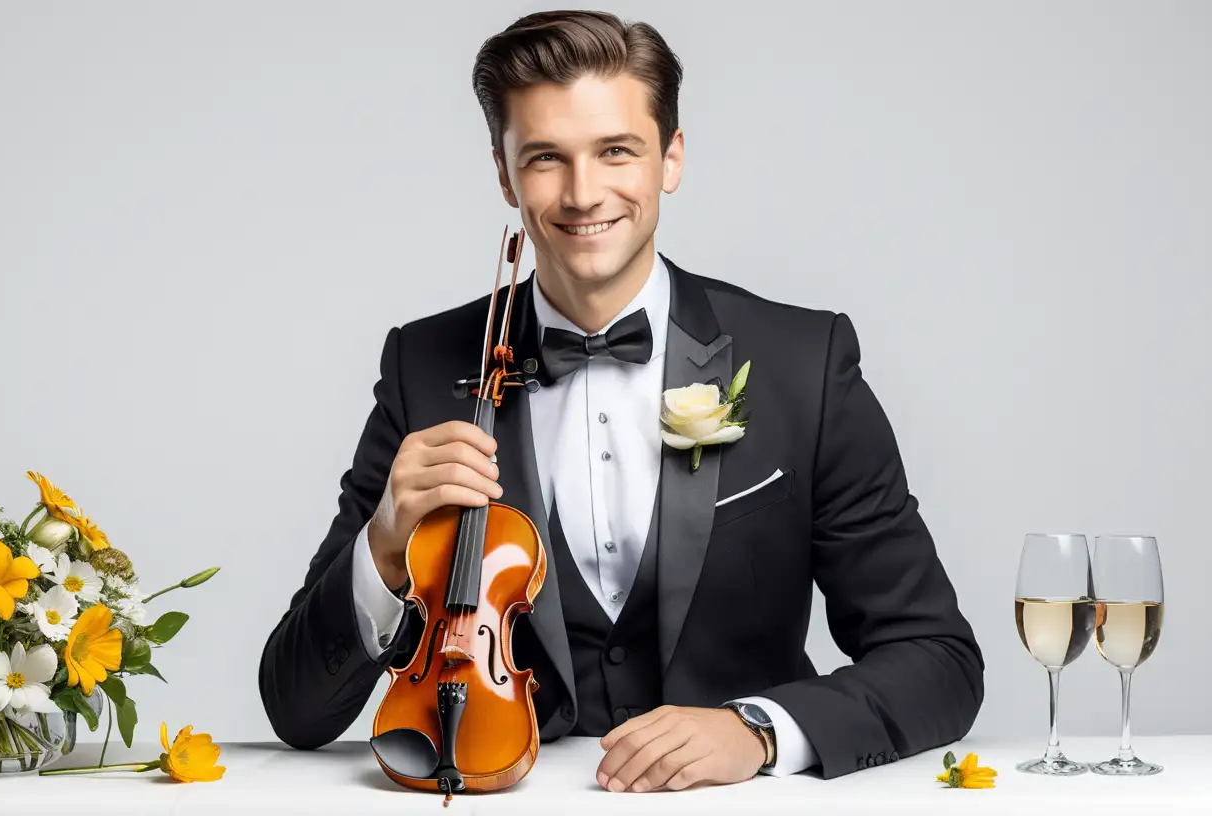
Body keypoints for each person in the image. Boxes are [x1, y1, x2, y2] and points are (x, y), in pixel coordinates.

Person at [258, 9, 984, 792]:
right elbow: (296, 709)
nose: (582, 193)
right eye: (545, 158)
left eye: (616, 151)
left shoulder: (804, 362)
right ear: (504, 174)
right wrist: (386, 541)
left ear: (671, 157)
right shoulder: (425, 367)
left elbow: (937, 659)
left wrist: (761, 733)